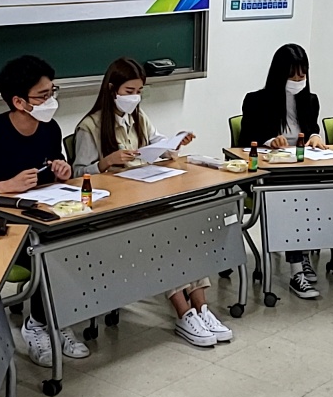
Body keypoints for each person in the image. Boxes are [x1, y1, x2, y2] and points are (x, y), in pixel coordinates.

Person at [72, 58, 229, 346]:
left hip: (145, 196)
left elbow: (157, 144)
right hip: (115, 210)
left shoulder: (138, 117)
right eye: (129, 91)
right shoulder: (90, 127)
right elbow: (76, 174)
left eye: (139, 91)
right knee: (164, 236)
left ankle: (202, 308)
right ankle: (183, 313)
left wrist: (174, 144)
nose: (135, 97)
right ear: (112, 89)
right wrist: (105, 162)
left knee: (184, 229)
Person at [0, 55, 87, 366]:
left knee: (74, 240)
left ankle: (52, 319)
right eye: (42, 96)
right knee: (46, 252)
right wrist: (4, 185)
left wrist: (62, 171)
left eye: (52, 92)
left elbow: (51, 169)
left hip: (38, 216)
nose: (51, 101)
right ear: (19, 102)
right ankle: (38, 325)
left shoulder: (49, 129)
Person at [238, 43, 327, 299]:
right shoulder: (256, 100)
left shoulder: (310, 101)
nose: (298, 81)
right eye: (292, 76)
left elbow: (311, 129)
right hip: (268, 176)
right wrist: (268, 141)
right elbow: (244, 142)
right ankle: (297, 271)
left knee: (319, 194)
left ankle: (302, 253)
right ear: (279, 75)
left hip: (302, 170)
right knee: (293, 199)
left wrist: (315, 136)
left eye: (302, 75)